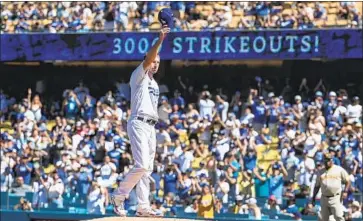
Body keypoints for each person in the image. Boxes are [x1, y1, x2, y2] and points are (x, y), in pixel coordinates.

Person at [110, 26, 170, 217]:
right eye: (153, 61)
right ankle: (118, 197)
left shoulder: (154, 84)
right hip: (138, 122)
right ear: (146, 60)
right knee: (142, 164)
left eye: (158, 62)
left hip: (151, 125)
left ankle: (143, 207)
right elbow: (150, 57)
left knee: (147, 169)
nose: (155, 64)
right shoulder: (139, 76)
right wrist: (159, 41)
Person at [312, 153, 351, 221]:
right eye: (326, 160)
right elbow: (317, 186)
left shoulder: (339, 169)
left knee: (338, 216)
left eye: (329, 160)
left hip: (335, 197)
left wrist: (345, 191)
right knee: (323, 218)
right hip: (324, 197)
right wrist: (313, 197)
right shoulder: (320, 172)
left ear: (332, 160)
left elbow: (348, 181)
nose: (327, 162)